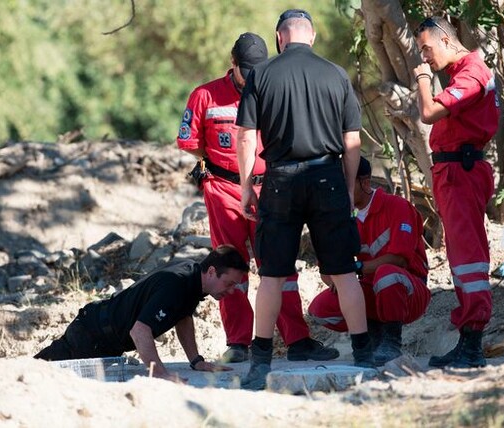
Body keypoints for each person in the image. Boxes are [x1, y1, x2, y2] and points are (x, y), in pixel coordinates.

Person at [176, 32, 338, 364]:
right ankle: (238, 342)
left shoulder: (274, 88)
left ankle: (297, 340)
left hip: (273, 188)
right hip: (223, 190)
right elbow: (189, 142)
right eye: (245, 71)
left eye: (257, 71)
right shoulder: (204, 95)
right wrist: (218, 166)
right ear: (232, 63)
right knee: (230, 265)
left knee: (278, 264)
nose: (251, 78)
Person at [236, 9, 371, 390]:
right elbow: (351, 141)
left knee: (273, 276)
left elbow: (246, 137)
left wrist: (247, 186)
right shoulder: (336, 74)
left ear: (280, 38)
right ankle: (363, 353)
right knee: (344, 272)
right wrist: (347, 187)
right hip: (327, 176)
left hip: (280, 179)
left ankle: (260, 360)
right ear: (312, 37)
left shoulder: (261, 74)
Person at [413, 16, 499, 368]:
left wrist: (422, 80)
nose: (426, 57)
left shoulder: (471, 73)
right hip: (453, 172)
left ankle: (473, 343)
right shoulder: (461, 72)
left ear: (446, 40)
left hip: (461, 173)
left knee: (468, 258)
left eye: (427, 49)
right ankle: (468, 340)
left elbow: (429, 111)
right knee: (462, 256)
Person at [34, 245, 249, 382]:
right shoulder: (176, 284)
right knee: (37, 375)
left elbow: (183, 316)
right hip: (91, 334)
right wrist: (160, 373)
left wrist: (196, 361)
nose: (231, 291)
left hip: (103, 336)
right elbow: (139, 331)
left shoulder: (193, 278)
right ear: (212, 271)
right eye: (228, 284)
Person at [308, 157, 431, 366]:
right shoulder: (339, 218)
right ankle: (373, 336)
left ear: (365, 182)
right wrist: (337, 281)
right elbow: (327, 271)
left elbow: (399, 259)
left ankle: (391, 342)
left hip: (408, 290)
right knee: (320, 309)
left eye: (345, 183)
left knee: (387, 274)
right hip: (369, 287)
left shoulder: (398, 207)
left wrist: (354, 268)